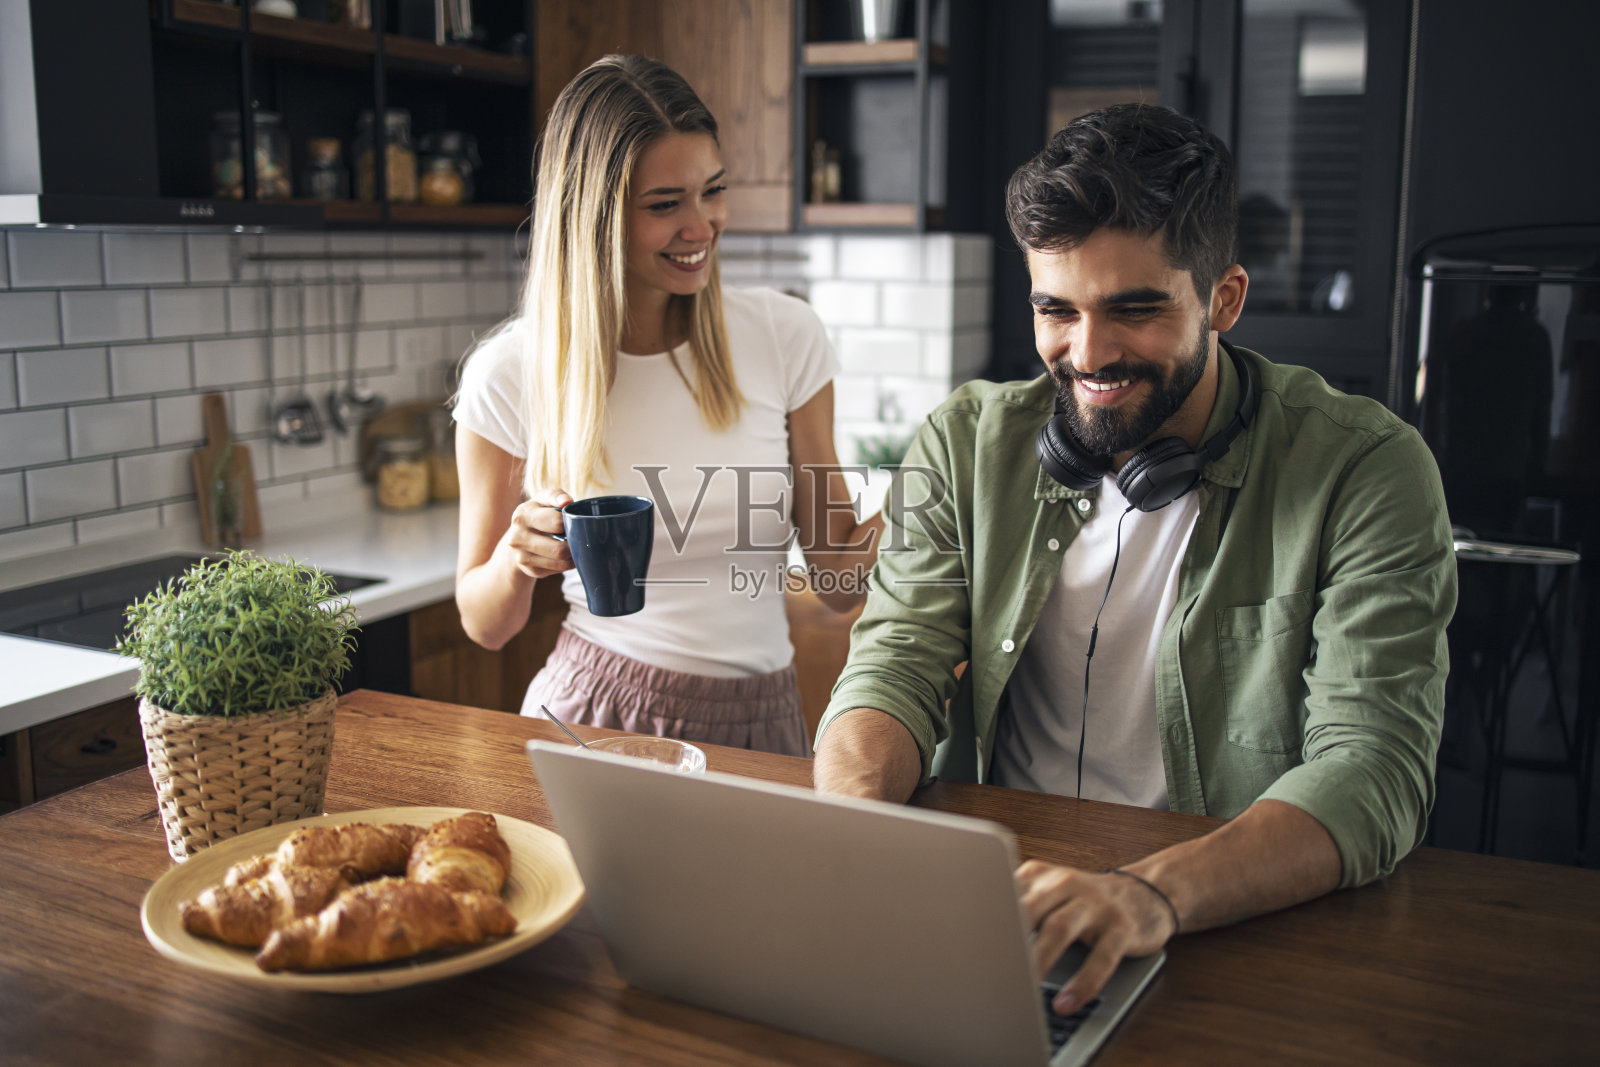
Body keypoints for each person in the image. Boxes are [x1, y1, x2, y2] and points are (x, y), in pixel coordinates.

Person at [813, 104, 1456, 1014]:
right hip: (998, 913)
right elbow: (892, 664)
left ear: (1224, 299)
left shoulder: (1367, 469)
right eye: (1056, 309)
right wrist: (849, 827)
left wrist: (1150, 893)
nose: (1088, 352)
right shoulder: (963, 443)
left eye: (1135, 309)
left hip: (1228, 917)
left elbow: (1373, 767)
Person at [453, 55, 879, 757]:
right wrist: (515, 560)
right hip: (592, 710)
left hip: (762, 719)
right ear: (593, 214)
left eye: (712, 191)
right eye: (663, 204)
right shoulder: (511, 373)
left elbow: (835, 581)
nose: (702, 225)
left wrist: (935, 502)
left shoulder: (783, 335)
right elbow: (486, 624)